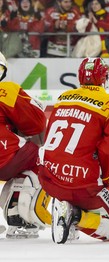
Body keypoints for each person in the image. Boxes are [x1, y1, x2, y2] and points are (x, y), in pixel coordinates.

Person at [38, 58, 109, 244]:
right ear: (104, 78)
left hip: (51, 179)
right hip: (83, 185)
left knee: (75, 189)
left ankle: (69, 211)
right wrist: (105, 179)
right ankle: (76, 217)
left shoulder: (63, 98)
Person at [0, 51, 51, 239]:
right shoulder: (6, 91)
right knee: (44, 158)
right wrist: (35, 107)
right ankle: (22, 215)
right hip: (5, 158)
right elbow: (35, 125)